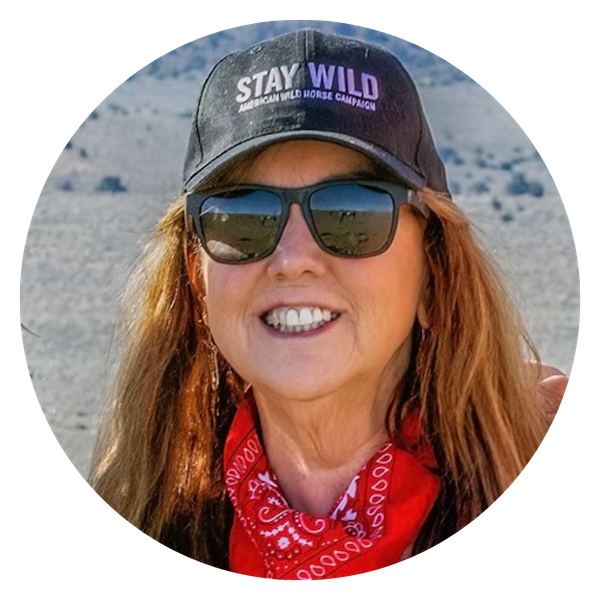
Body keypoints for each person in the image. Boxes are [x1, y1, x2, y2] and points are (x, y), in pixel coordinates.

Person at [90, 29, 567, 580]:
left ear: (434, 274)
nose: (294, 259)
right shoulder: (144, 509)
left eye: (353, 212)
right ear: (197, 282)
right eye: (243, 219)